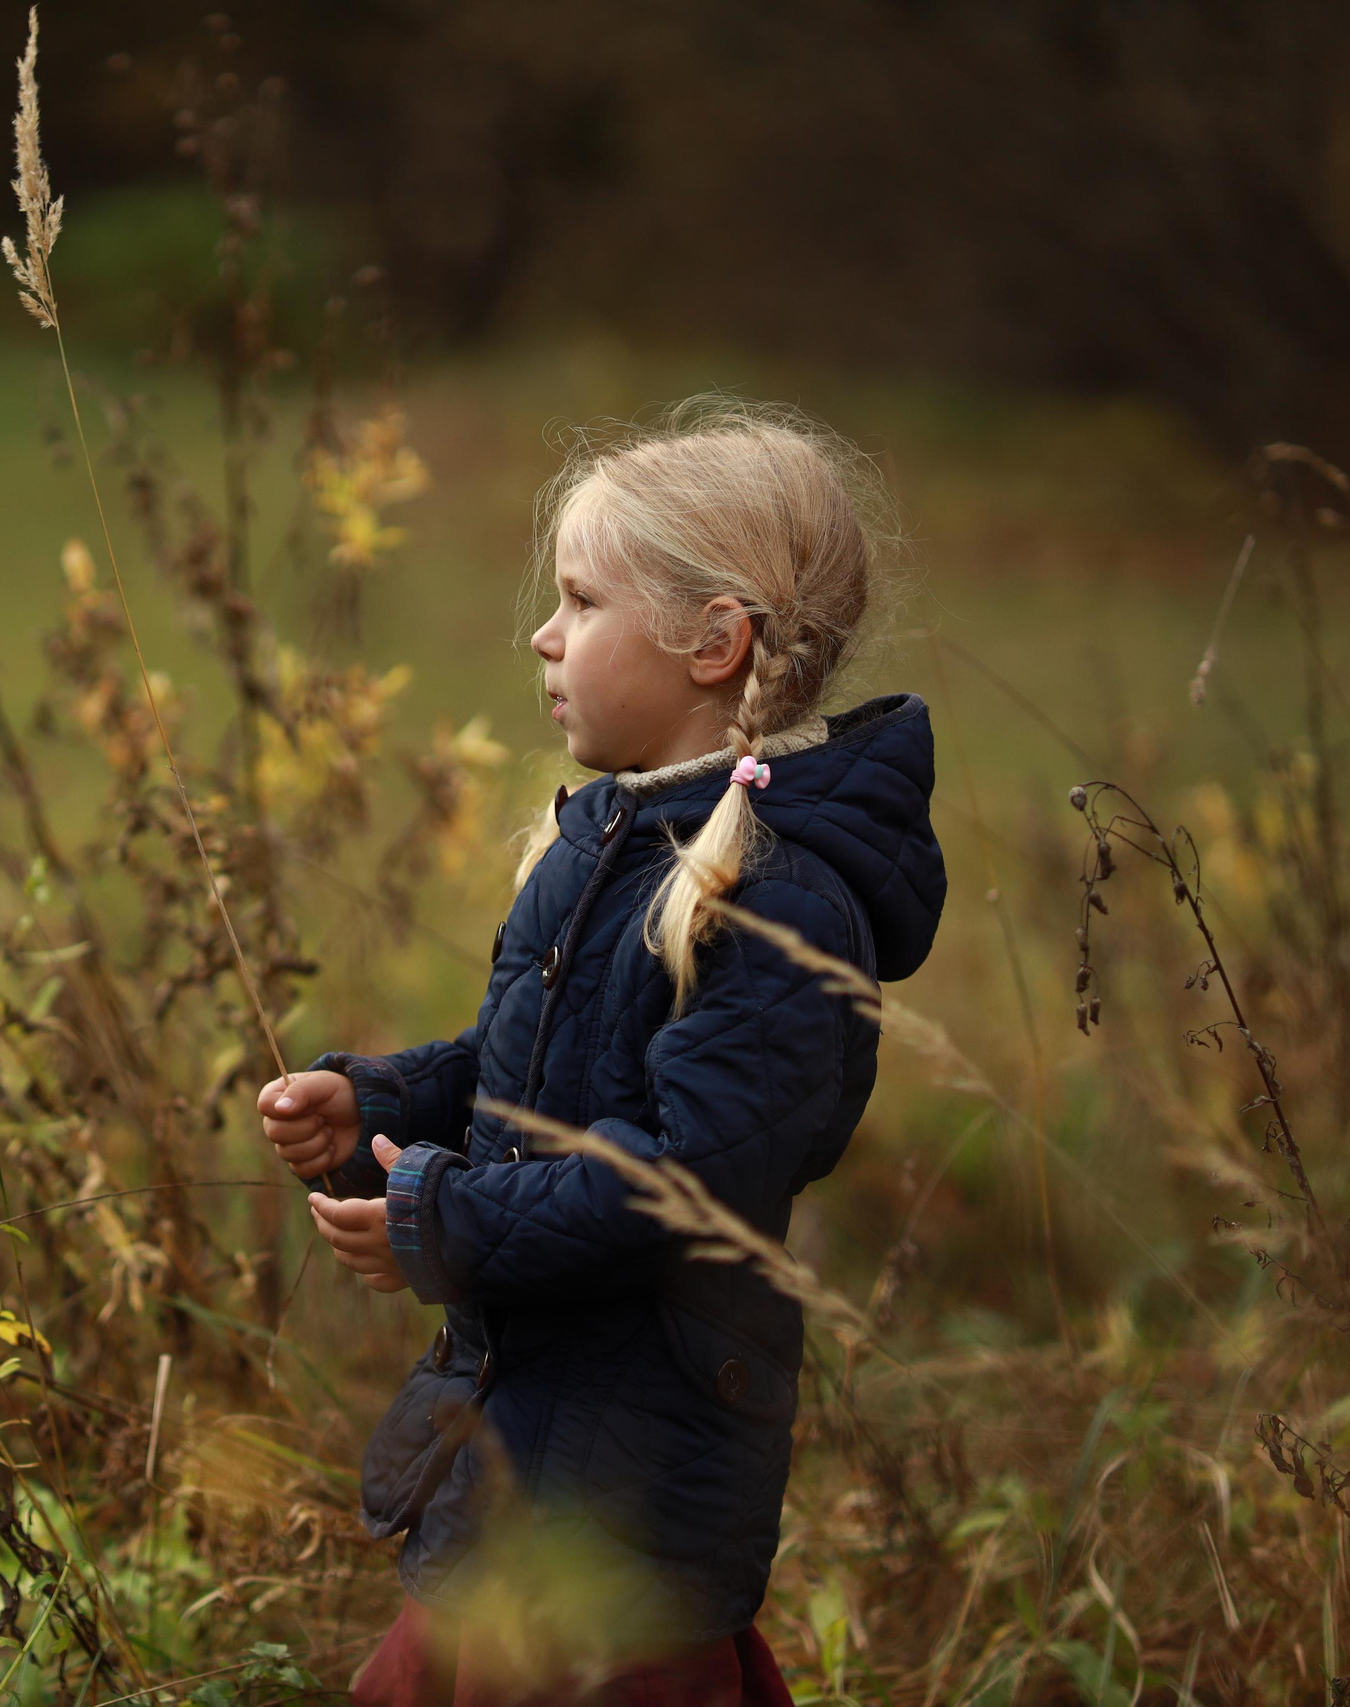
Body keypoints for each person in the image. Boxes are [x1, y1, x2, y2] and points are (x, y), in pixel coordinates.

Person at [255, 399, 947, 1707]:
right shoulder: (604, 841)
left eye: (580, 601)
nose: (543, 634)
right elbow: (531, 1078)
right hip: (523, 1447)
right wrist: (377, 1103)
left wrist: (439, 1216)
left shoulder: (777, 902)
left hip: (633, 1485)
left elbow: (674, 1177)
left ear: (714, 643)